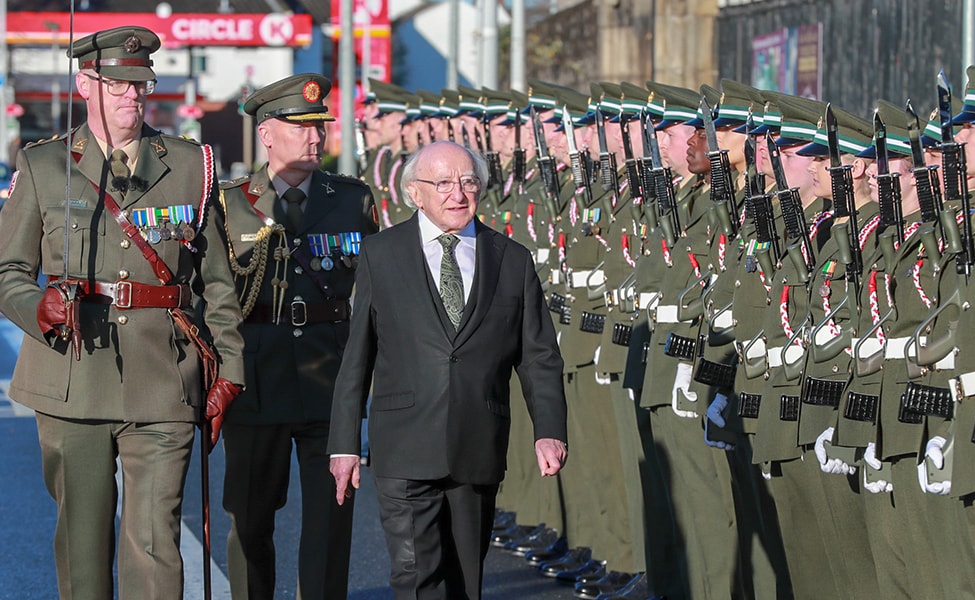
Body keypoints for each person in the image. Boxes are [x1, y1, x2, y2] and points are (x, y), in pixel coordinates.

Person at [0, 26, 244, 599]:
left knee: (155, 539)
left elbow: (216, 282)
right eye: (119, 85)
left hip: (165, 374)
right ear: (86, 84)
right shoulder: (42, 166)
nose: (135, 96)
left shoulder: (189, 165)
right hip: (71, 377)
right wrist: (39, 306)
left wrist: (230, 369)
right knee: (83, 546)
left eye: (142, 85)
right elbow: (7, 272)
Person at [328, 140, 569, 599]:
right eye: (442, 183)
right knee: (417, 575)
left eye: (468, 181)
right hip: (403, 442)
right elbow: (356, 355)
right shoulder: (381, 254)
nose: (457, 193)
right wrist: (343, 443)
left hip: (477, 441)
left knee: (465, 580)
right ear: (414, 193)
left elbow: (538, 355)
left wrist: (550, 429)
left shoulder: (510, 258)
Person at [217, 73, 379, 600]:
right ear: (267, 133)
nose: (316, 138)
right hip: (255, 378)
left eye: (321, 127)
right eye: (300, 127)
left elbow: (379, 294)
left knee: (332, 521)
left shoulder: (353, 200)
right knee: (250, 519)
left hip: (331, 380)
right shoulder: (228, 204)